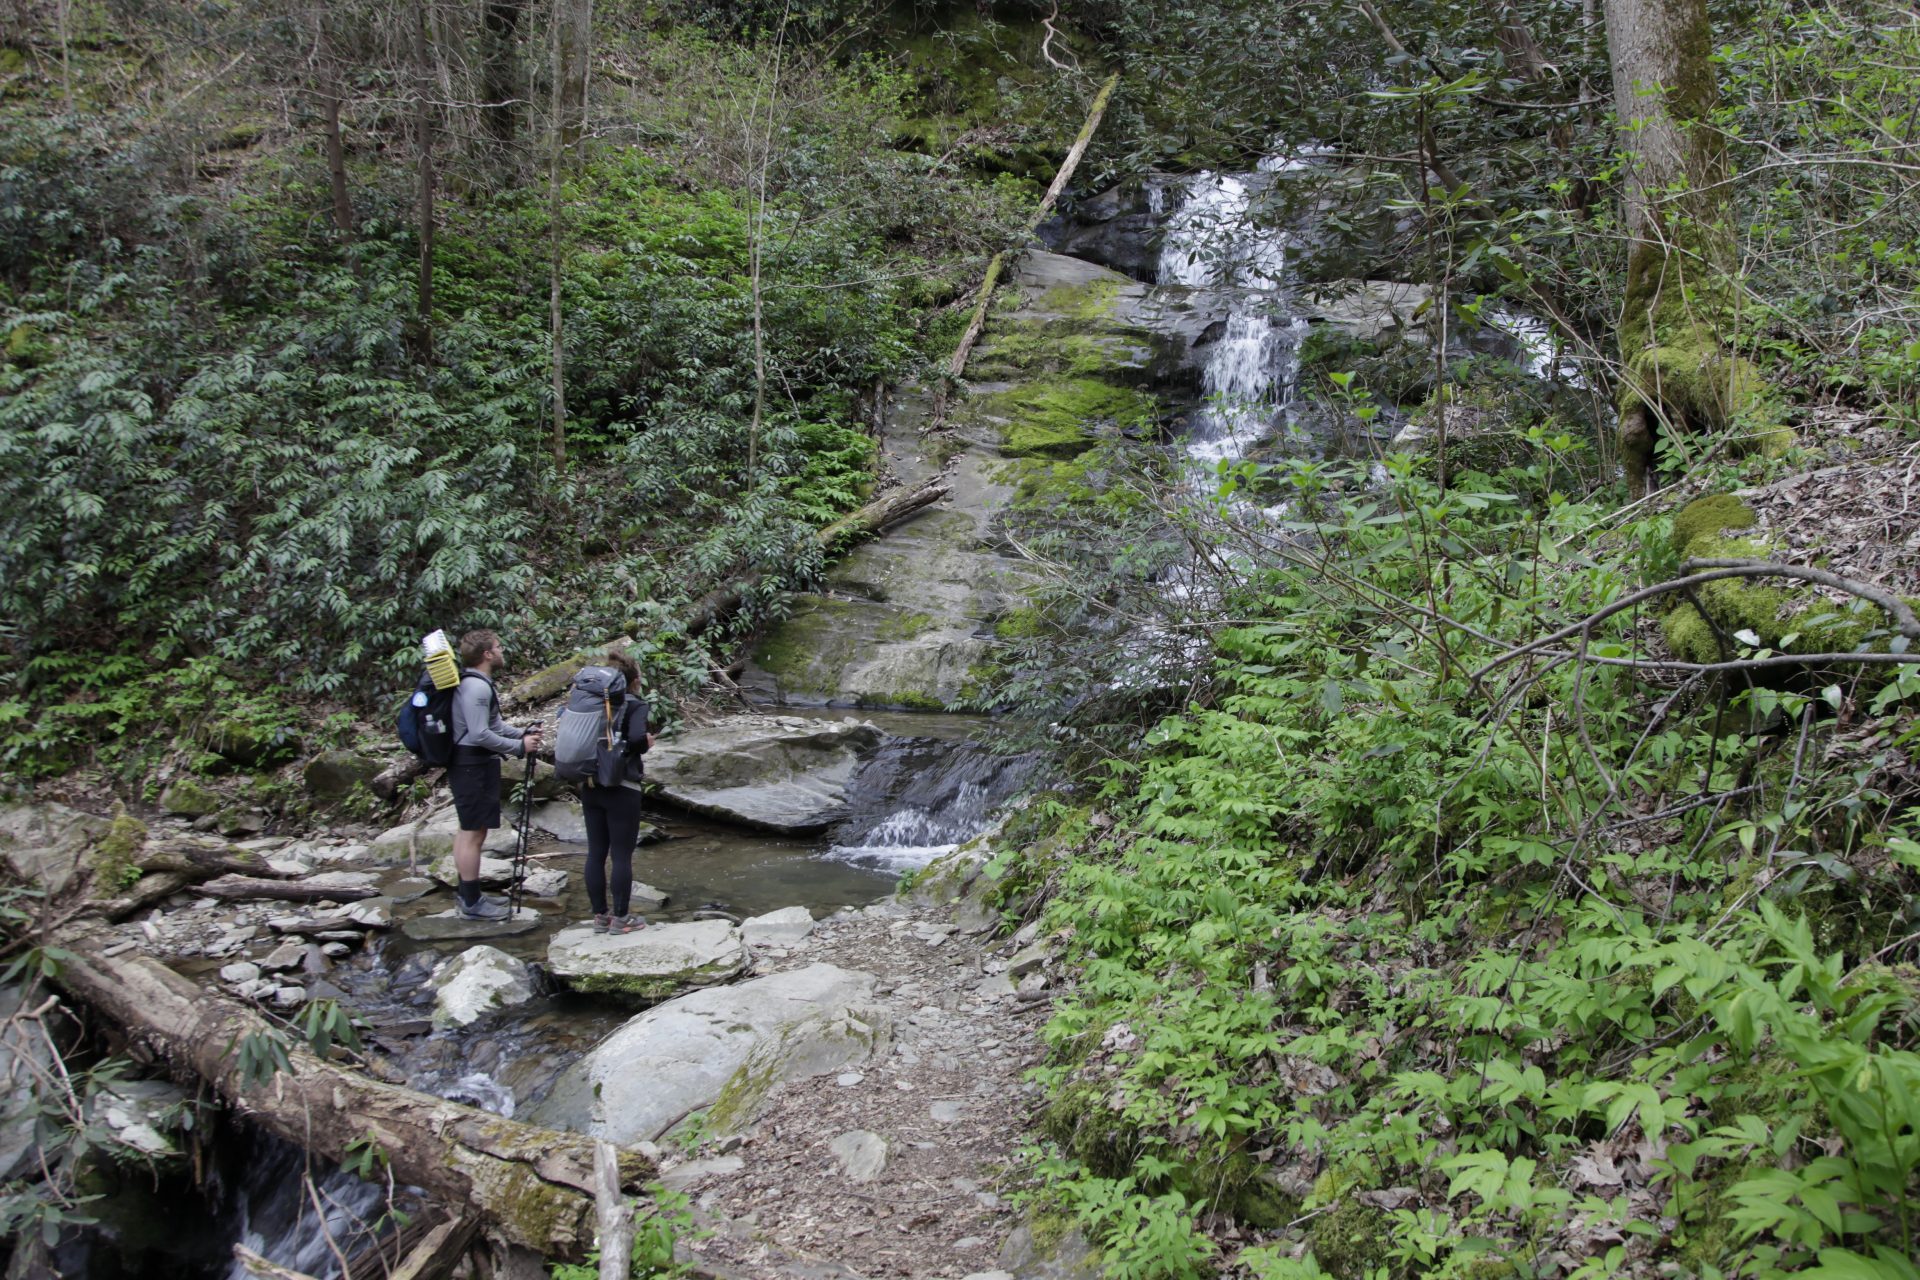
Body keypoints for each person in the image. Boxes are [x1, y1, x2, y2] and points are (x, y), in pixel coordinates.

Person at [449, 629, 544, 920]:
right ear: (487, 654)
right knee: (473, 832)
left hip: (472, 763)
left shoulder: (477, 684)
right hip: (471, 764)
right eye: (499, 647)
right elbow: (479, 734)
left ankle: (468, 895)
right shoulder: (476, 688)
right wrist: (519, 747)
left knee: (471, 829)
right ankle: (471, 902)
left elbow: (494, 725)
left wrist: (520, 734)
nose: (503, 651)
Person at [580, 651, 654, 934]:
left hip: (590, 784)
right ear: (634, 681)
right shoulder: (635, 704)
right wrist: (645, 743)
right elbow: (635, 740)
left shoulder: (591, 702)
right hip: (622, 786)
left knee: (595, 853)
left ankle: (600, 917)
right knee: (621, 855)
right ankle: (622, 919)